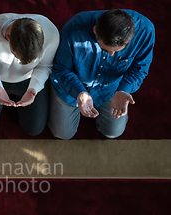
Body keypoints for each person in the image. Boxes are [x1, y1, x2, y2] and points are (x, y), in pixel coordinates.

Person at [49, 9, 155, 139]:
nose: (111, 55)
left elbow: (139, 69)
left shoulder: (145, 31)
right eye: (105, 49)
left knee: (113, 132)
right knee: (62, 134)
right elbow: (62, 70)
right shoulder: (73, 28)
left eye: (117, 52)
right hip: (71, 85)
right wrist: (79, 92)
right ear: (95, 31)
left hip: (109, 89)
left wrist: (123, 90)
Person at [0, 14, 59, 136]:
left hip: (29, 79)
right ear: (8, 37)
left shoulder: (51, 33)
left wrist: (35, 88)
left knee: (34, 129)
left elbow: (44, 66)